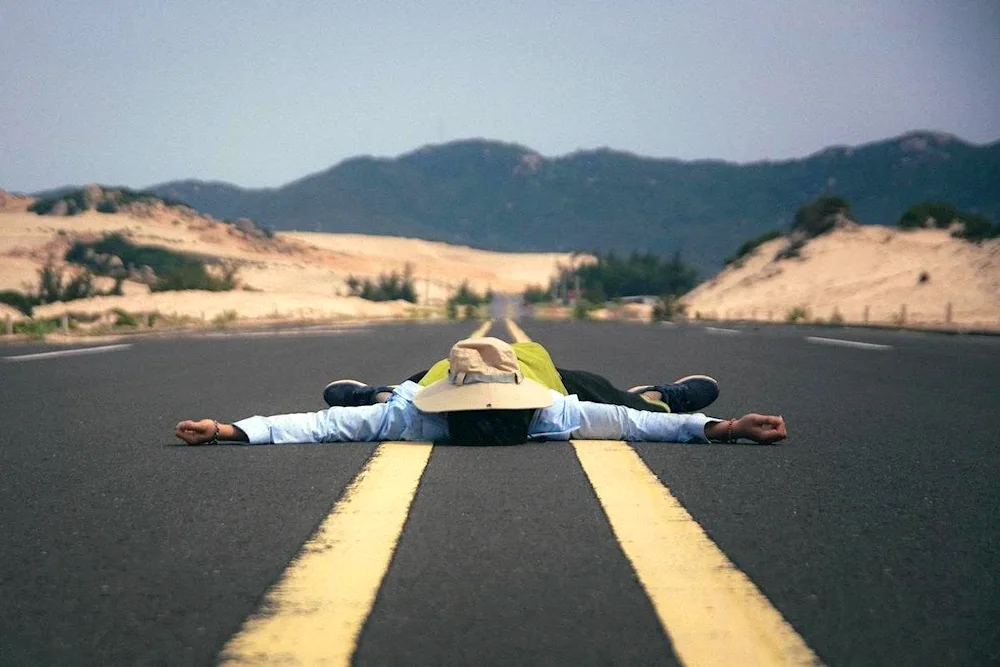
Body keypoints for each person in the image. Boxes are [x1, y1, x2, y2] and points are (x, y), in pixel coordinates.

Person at [175, 337, 787, 446]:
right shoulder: (419, 411)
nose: (494, 425)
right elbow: (320, 425)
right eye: (480, 419)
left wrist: (725, 427)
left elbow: (632, 426)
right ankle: (374, 391)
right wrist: (231, 429)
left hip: (541, 369)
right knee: (391, 396)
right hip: (429, 379)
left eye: (504, 419)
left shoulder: (549, 407)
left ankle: (657, 392)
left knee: (615, 399)